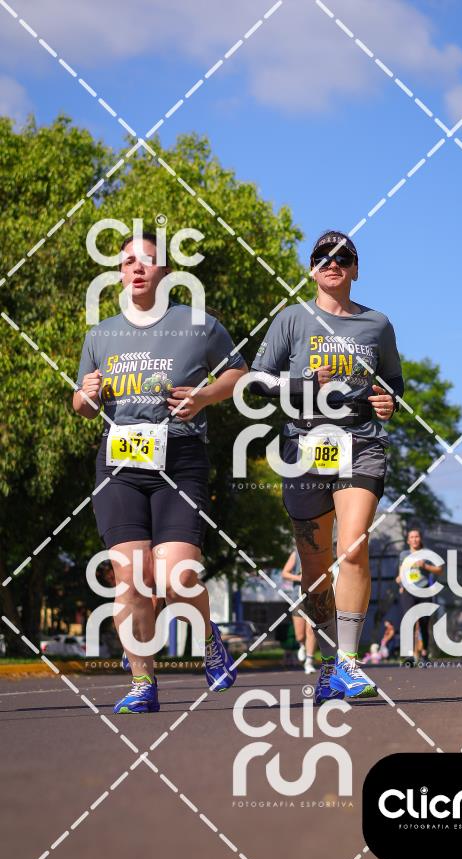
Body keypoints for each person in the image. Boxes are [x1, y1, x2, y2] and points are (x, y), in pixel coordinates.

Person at [74, 231, 248, 713]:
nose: (136, 267)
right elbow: (81, 404)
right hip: (120, 465)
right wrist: (87, 395)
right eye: (127, 261)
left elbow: (238, 373)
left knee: (176, 579)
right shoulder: (101, 334)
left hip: (181, 459)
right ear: (119, 273)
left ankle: (209, 640)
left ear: (165, 272)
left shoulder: (198, 324)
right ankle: (142, 683)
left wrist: (205, 396)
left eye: (146, 260)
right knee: (130, 579)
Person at [249, 230, 404, 703]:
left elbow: (392, 383)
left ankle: (350, 663)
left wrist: (388, 401)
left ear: (355, 269)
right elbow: (256, 381)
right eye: (322, 257)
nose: (332, 263)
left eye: (343, 257)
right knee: (316, 568)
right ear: (312, 269)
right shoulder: (292, 319)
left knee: (353, 547)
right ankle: (330, 663)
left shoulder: (377, 324)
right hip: (305, 445)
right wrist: (302, 384)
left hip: (360, 442)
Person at [395, 527, 444, 665]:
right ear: (408, 540)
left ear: (420, 538)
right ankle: (409, 655)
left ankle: (424, 653)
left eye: (416, 536)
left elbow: (440, 570)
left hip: (424, 590)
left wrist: (425, 566)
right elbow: (401, 571)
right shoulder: (404, 554)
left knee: (423, 622)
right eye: (412, 537)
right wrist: (400, 581)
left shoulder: (427, 553)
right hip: (408, 591)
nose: (414, 539)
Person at [281, 547, 316, 674]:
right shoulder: (296, 554)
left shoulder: (321, 552)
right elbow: (284, 573)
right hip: (298, 598)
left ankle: (309, 661)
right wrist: (299, 577)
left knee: (311, 630)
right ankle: (302, 645)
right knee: (300, 635)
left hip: (315, 598)